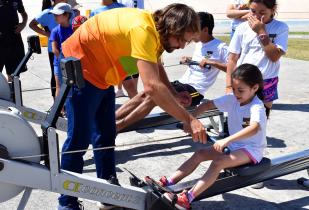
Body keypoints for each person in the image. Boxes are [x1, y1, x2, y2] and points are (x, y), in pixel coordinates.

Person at [58, 4, 206, 210]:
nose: (182, 46)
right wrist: (189, 120)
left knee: (106, 135)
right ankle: (67, 202)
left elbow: (156, 64)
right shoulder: (143, 30)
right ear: (172, 28)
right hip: (81, 67)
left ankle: (108, 191)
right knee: (78, 140)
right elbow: (152, 87)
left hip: (102, 74)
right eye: (182, 39)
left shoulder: (156, 31)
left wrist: (172, 92)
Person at [151, 64, 267, 210]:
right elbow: (207, 105)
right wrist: (191, 120)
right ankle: (168, 182)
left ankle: (188, 198)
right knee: (199, 153)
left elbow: (254, 128)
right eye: (233, 89)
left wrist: (227, 140)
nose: (236, 93)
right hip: (233, 146)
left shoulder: (257, 107)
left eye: (240, 90)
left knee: (218, 162)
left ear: (255, 88)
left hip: (251, 149)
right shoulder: (233, 99)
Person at [115, 12, 229, 132]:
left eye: (195, 30)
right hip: (181, 83)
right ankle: (111, 121)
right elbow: (199, 62)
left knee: (154, 98)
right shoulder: (199, 45)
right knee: (145, 94)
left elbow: (233, 68)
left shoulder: (221, 47)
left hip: (195, 91)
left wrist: (213, 63)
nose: (192, 34)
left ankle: (117, 127)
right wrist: (190, 60)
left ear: (205, 30)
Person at [226, 0, 288, 118]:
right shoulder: (242, 28)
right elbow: (232, 59)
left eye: (262, 12)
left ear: (273, 9)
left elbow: (274, 57)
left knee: (261, 119)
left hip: (268, 80)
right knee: (242, 117)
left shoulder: (281, 27)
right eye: (253, 11)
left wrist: (261, 31)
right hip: (243, 81)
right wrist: (229, 86)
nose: (256, 16)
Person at [115, 0, 144, 98]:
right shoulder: (121, 2)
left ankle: (134, 91)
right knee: (121, 63)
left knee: (135, 63)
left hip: (135, 31)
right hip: (123, 31)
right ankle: (119, 89)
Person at [49, 3, 74, 118]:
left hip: (73, 63)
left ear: (66, 15)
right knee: (59, 86)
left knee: (72, 86)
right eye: (54, 15)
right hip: (60, 63)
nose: (55, 17)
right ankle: (60, 109)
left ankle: (71, 107)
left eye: (57, 15)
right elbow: (54, 49)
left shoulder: (74, 29)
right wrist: (63, 60)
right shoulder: (55, 30)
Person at [0, 0, 28, 82]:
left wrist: (23, 24)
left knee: (14, 74)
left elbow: (24, 14)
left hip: (14, 40)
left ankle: (14, 94)